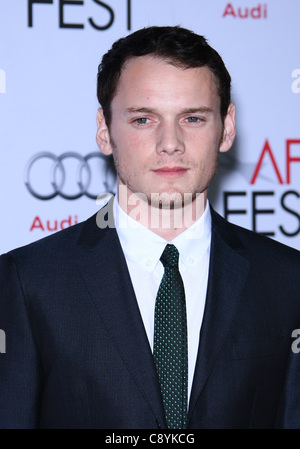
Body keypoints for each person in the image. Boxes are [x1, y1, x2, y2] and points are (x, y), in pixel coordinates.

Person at [0, 25, 299, 430]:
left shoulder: (287, 280)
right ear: (105, 131)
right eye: (143, 119)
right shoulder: (27, 281)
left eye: (193, 118)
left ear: (226, 128)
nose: (170, 143)